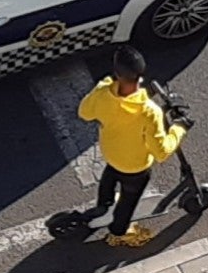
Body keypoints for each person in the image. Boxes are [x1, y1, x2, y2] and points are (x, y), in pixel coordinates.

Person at [77, 45, 191, 247]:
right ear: (140, 75)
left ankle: (104, 204)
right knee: (128, 201)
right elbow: (161, 151)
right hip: (135, 167)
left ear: (116, 72)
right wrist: (179, 128)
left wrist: (102, 86)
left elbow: (84, 113)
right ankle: (118, 232)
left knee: (110, 175)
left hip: (111, 153)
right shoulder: (148, 111)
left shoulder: (103, 93)